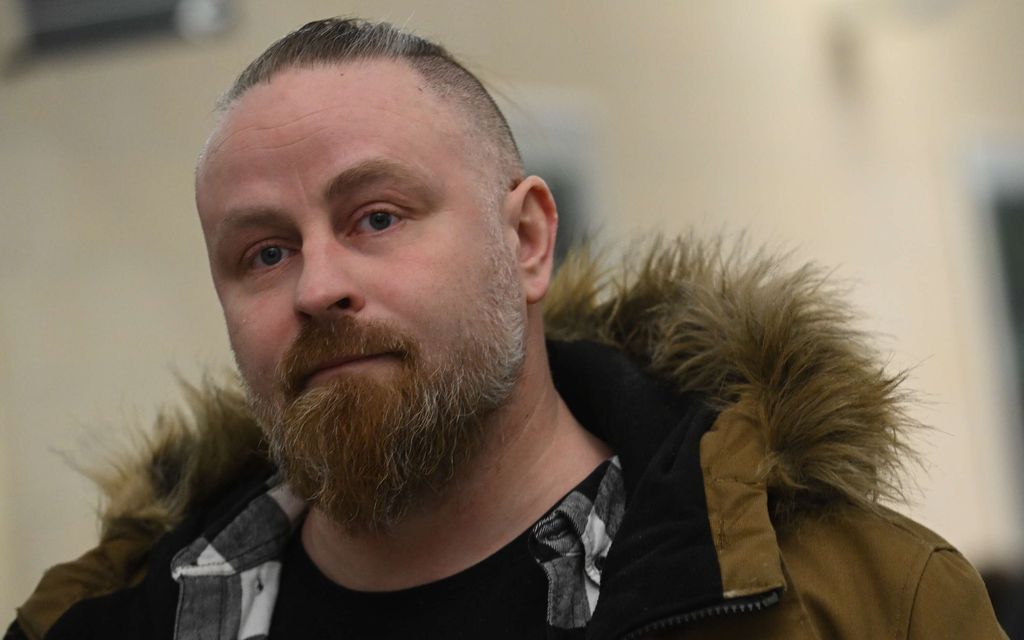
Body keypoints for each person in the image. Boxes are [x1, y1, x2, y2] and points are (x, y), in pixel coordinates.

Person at [6, 17, 1006, 640]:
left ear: (527, 240)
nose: (317, 286)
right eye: (263, 253)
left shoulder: (865, 606)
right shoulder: (105, 623)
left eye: (376, 218)